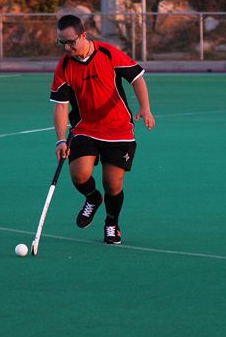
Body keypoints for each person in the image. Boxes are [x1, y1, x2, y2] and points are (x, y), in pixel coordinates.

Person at [50, 14, 155, 244]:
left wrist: (145, 108)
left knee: (112, 183)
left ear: (83, 35)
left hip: (119, 129)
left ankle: (112, 222)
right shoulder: (64, 67)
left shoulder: (108, 53)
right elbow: (60, 106)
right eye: (61, 43)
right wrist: (60, 139)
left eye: (70, 42)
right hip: (85, 127)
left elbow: (136, 77)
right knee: (79, 174)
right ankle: (92, 198)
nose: (66, 48)